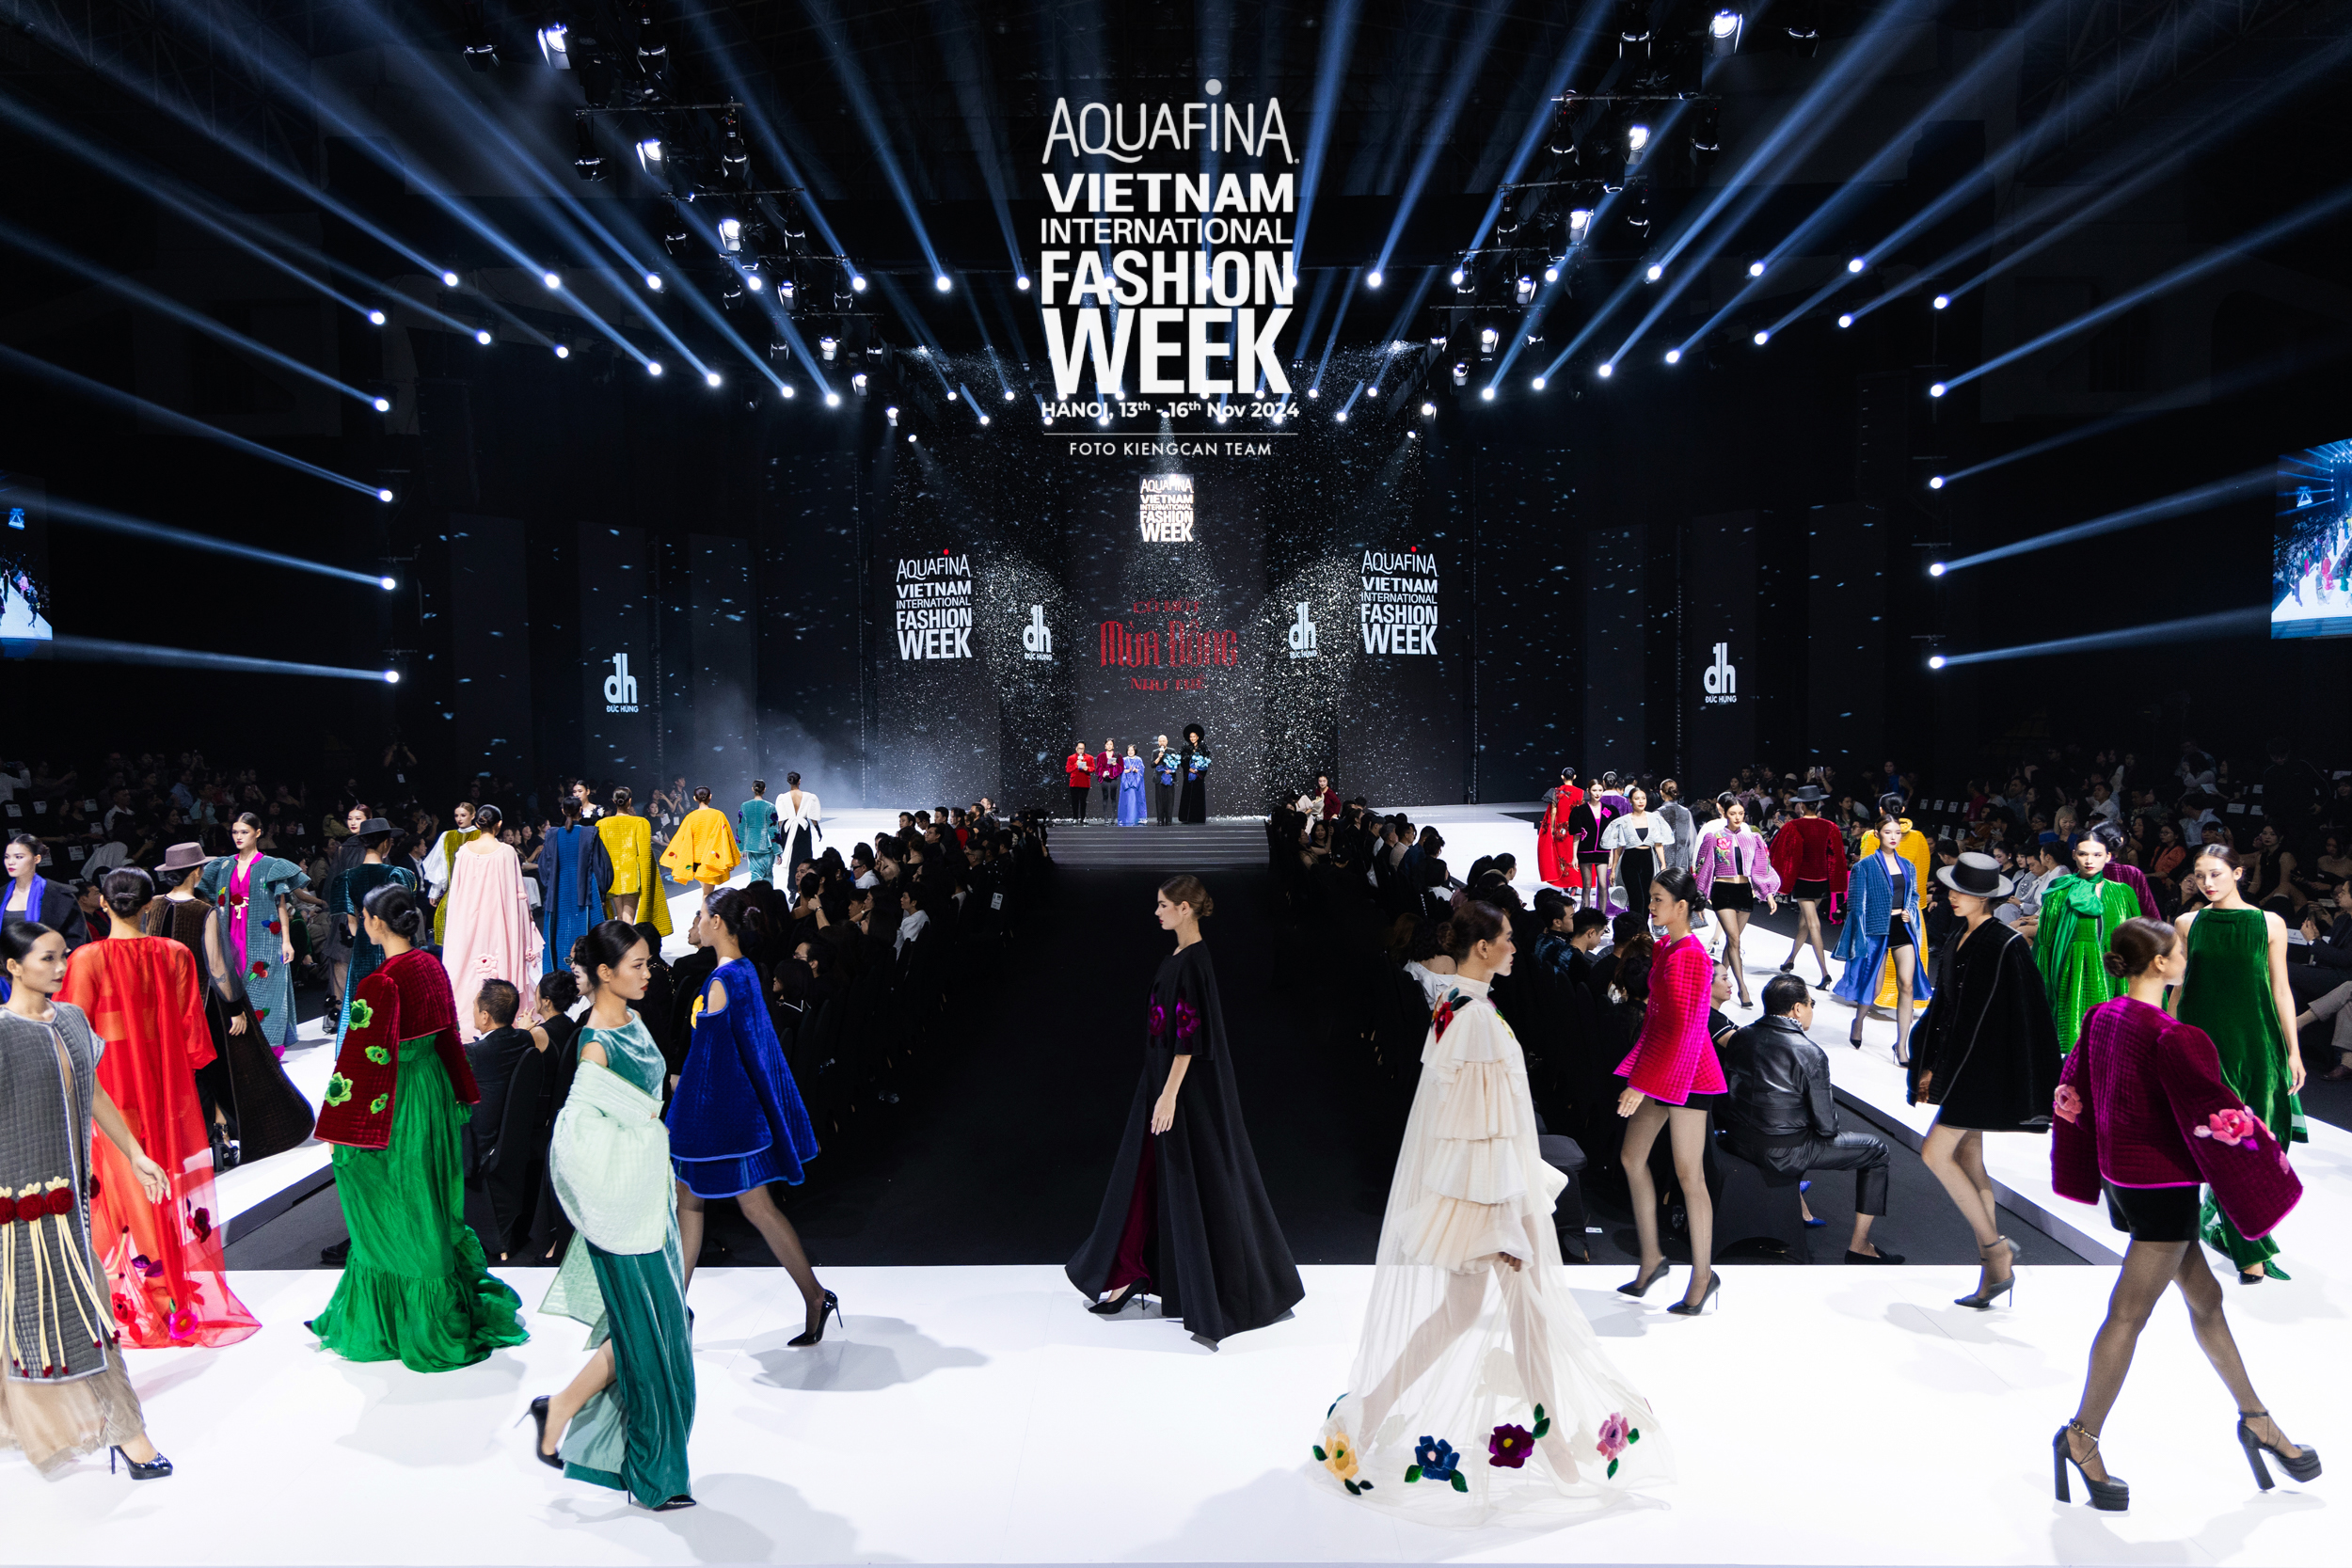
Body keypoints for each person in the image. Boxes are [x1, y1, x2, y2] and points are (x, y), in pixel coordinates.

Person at [1316, 893, 1667, 1516]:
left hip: (1485, 1188)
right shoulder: (1473, 1015)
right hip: (1493, 1194)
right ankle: (1553, 1448)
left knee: (1475, 1316)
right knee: (1530, 1319)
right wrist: (1506, 1218)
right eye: (1505, 937)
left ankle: (1371, 1414)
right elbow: (1481, 1124)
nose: (1513, 946)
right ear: (1482, 947)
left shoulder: (1455, 1003)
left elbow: (1467, 1117)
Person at [2049, 918, 2317, 1512]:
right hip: (2162, 1187)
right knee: (2127, 1315)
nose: (2186, 960)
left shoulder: (2102, 1017)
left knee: (2207, 1301)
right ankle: (2080, 1438)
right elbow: (2217, 1115)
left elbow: (2074, 1092)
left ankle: (2259, 1421)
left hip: (2123, 1178)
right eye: (2180, 953)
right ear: (2160, 965)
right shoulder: (2174, 1036)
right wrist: (2267, 1167)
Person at [1066, 875, 1301, 1345]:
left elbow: (1189, 1039)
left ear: (1186, 908)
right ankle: (1132, 1271)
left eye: (1163, 905)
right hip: (1159, 1083)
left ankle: (1228, 1290)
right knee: (1148, 1174)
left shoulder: (1194, 962)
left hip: (1182, 1091)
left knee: (1191, 1179)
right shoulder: (1179, 956)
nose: (1157, 912)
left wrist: (1170, 1094)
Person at [308, 883, 529, 1371]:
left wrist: (340, 1131)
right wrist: (462, 1093)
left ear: (376, 923)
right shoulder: (431, 966)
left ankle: (405, 1321)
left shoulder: (380, 982)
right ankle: (437, 1307)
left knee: (395, 1202)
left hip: (398, 1098)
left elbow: (362, 1061)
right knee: (430, 1201)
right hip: (434, 1093)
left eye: (363, 916)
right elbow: (450, 1033)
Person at [0, 921, 176, 1480]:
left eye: (63, 956)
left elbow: (95, 1092)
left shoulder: (73, 1019)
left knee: (87, 1310)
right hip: (17, 1206)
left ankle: (128, 1433)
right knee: (18, 1316)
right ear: (13, 967)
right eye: (47, 959)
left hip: (69, 1204)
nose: (60, 968)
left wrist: (136, 1154)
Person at [58, 867, 262, 1349]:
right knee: (164, 1180)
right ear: (149, 905)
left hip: (110, 1084)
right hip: (163, 1081)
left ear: (104, 904)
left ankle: (154, 1295)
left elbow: (75, 1035)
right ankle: (169, 1289)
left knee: (126, 1181)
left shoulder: (86, 959)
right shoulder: (173, 953)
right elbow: (192, 1032)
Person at [532, 921, 696, 1512]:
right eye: (638, 965)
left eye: (649, 963)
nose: (649, 973)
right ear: (605, 973)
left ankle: (560, 1408)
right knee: (649, 1343)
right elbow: (574, 1138)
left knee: (653, 1333)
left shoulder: (633, 1019)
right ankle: (654, 1478)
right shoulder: (596, 1044)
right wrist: (644, 1141)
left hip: (650, 1203)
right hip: (624, 1212)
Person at [668, 889, 833, 1340]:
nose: (697, 923)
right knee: (702, 1204)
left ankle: (815, 1296)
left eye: (701, 916)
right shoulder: (744, 972)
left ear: (718, 922)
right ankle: (675, 1311)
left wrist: (677, 1093)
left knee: (729, 1207)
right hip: (736, 1116)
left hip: (720, 1121)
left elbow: (712, 1062)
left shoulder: (721, 981)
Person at [1910, 852, 2060, 1308]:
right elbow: (1948, 1007)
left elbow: (2022, 1016)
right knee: (1970, 1161)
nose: (1952, 896)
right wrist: (1931, 1063)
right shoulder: (1962, 934)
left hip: (1981, 1070)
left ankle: (1996, 1251)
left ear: (1985, 897)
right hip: (1962, 1064)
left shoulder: (2004, 942)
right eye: (1953, 888)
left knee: (1935, 1153)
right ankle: (1992, 1273)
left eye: (1963, 891)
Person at [2172, 847, 2305, 1283]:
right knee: (2225, 1140)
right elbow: (2179, 988)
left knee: (2263, 1141)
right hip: (2202, 1045)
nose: (2207, 883)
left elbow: (2281, 989)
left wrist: (2293, 1050)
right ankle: (2251, 1251)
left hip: (2257, 1044)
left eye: (2216, 874)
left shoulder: (2269, 923)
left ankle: (2228, 1224)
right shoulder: (2188, 923)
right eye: (2200, 876)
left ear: (2238, 873)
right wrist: (2167, 1038)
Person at [142, 841, 314, 1167]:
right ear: (196, 872)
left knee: (184, 1074)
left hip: (163, 1007)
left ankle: (194, 1140)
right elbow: (218, 966)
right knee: (230, 1069)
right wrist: (236, 1008)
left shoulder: (154, 907)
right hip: (204, 1005)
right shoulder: (202, 911)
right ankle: (222, 1133)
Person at [1723, 975, 1899, 1263]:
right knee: (1877, 1150)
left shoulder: (1741, 1037)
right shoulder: (1810, 1053)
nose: (1811, 1010)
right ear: (1797, 1009)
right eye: (1811, 1003)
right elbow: (1827, 1127)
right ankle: (1861, 1246)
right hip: (1783, 1152)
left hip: (1736, 1140)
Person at [1613, 867, 1724, 1314]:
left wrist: (1641, 1083)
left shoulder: (1692, 956)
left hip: (1691, 1074)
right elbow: (1658, 1022)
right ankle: (1652, 1258)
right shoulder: (1666, 948)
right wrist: (1638, 1074)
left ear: (1682, 907)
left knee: (1689, 1176)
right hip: (1662, 1069)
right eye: (1651, 897)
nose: (1652, 905)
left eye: (1659, 899)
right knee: (1631, 1157)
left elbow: (1687, 1030)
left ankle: (1703, 1276)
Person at [194, 814, 309, 1056]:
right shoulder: (223, 866)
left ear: (258, 833)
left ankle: (269, 1046)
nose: (238, 837)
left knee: (266, 986)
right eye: (235, 832)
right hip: (230, 935)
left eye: (244, 832)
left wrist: (286, 941)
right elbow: (209, 899)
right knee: (233, 986)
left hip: (265, 937)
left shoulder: (271, 865)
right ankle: (241, 1046)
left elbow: (280, 905)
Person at [1831, 798, 1931, 1064]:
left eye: (1897, 832)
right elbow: (1855, 904)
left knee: (1906, 984)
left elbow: (1914, 894)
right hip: (1875, 929)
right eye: (1888, 832)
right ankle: (1858, 1021)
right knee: (1873, 985)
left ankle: (1901, 1046)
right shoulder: (1864, 866)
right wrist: (1859, 935)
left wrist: (1910, 909)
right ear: (1877, 834)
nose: (1894, 837)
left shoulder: (1907, 866)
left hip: (1902, 927)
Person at [440, 805, 543, 1044]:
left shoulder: (464, 852)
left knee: (467, 966)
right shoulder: (506, 852)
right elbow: (518, 894)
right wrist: (525, 924)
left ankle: (464, 1024)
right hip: (500, 921)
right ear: (499, 824)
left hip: (468, 922)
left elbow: (457, 893)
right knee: (500, 964)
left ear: (477, 823)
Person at [2032, 831, 2141, 1053]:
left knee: (2108, 1044)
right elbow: (2044, 946)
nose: (2089, 860)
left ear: (2108, 856)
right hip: (2070, 973)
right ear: (2074, 855)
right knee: (2070, 1039)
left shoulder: (2122, 893)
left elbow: (2135, 943)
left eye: (2097, 854)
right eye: (2083, 854)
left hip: (2112, 973)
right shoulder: (2059, 893)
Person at [328, 818, 418, 1051]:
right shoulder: (397, 874)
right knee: (397, 993)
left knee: (364, 997)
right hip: (394, 944)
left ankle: (362, 1049)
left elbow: (351, 921)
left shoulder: (347, 877)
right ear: (386, 844)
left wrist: (364, 939)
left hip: (363, 945)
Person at [1692, 797, 1780, 1009]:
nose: (1738, 817)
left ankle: (1715, 982)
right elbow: (1703, 867)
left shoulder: (1753, 838)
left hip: (1744, 891)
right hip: (1722, 890)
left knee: (1733, 942)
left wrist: (1768, 893)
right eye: (1733, 813)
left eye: (1741, 813)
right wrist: (1700, 898)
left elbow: (1761, 866)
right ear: (1725, 814)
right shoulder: (1714, 837)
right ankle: (1742, 988)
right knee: (1734, 939)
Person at [1769, 785, 1846, 986]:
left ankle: (1825, 973)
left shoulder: (1793, 826)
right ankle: (1790, 960)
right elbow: (1836, 856)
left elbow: (1781, 853)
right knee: (1804, 922)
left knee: (1812, 924)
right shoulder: (1830, 826)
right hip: (1821, 882)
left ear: (1801, 805)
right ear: (1817, 803)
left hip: (1803, 882)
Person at [539, 799, 612, 979]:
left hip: (559, 888)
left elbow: (544, 867)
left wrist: (550, 886)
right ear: (581, 810)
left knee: (560, 929)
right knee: (587, 929)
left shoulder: (552, 835)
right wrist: (602, 892)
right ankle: (592, 975)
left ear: (563, 811)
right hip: (586, 888)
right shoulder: (589, 833)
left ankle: (559, 973)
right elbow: (601, 866)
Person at [596, 787, 670, 937]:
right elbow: (645, 854)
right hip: (631, 875)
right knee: (628, 918)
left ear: (614, 801)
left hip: (612, 876)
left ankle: (619, 946)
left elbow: (601, 853)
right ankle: (626, 947)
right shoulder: (640, 823)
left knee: (619, 916)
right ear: (629, 801)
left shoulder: (601, 824)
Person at [2, 832, 89, 952]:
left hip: (50, 961)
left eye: (19, 857)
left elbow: (77, 941)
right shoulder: (2, 895)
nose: (10, 862)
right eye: (7, 857)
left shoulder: (59, 895)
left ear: (36, 859)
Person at [1598, 784, 1668, 926]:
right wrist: (1614, 870)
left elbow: (1658, 844)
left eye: (1643, 798)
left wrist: (1663, 864)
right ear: (1630, 800)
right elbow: (1619, 847)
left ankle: (1643, 928)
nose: (1641, 801)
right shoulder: (1623, 821)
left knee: (1647, 896)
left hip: (1648, 860)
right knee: (1635, 897)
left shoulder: (1654, 819)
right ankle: (1637, 928)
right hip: (1629, 860)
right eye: (1637, 798)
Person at [421, 800, 482, 944]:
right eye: (456, 815)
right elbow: (441, 865)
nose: (459, 819)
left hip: (476, 889)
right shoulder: (447, 836)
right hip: (453, 888)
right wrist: (435, 891)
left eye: (463, 815)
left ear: (473, 815)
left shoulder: (480, 835)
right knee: (443, 919)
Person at [660, 787, 741, 889]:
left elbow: (682, 838)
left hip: (696, 860)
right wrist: (730, 859)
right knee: (707, 893)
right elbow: (726, 838)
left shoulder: (690, 817)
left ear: (695, 798)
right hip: (712, 858)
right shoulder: (718, 815)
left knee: (707, 891)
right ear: (710, 797)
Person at [1535, 768, 1587, 893]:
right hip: (1576, 829)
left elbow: (1553, 811)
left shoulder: (1556, 792)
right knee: (1575, 854)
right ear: (1574, 777)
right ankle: (1575, 884)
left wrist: (1552, 827)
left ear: (1562, 777)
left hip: (1561, 830)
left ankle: (1566, 884)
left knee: (1563, 856)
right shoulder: (1581, 793)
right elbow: (1583, 812)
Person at [776, 772, 822, 879]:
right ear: (799, 781)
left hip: (788, 829)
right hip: (802, 829)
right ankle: (804, 881)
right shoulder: (809, 797)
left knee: (791, 857)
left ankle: (792, 884)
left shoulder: (783, 797)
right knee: (804, 856)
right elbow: (813, 817)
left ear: (789, 782)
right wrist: (818, 829)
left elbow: (780, 819)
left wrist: (777, 834)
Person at [737, 780, 779, 885]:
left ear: (752, 789)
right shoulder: (770, 807)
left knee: (755, 875)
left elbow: (741, 827)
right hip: (766, 845)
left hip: (751, 845)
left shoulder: (744, 806)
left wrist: (741, 848)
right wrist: (778, 851)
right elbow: (774, 829)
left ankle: (754, 895)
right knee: (767, 875)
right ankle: (768, 895)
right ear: (764, 789)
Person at [1177, 725, 1211, 824]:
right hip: (1188, 776)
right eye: (1191, 737)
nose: (1192, 738)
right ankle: (1186, 818)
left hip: (1198, 776)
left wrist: (1198, 770)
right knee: (1187, 796)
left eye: (1194, 736)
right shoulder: (1185, 748)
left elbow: (1207, 762)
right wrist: (1189, 769)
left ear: (1198, 737)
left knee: (1198, 797)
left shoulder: (1203, 749)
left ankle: (1198, 818)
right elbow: (1182, 761)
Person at [1150, 735, 1179, 826]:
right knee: (1159, 800)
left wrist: (1171, 770)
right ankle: (1160, 820)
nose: (1162, 742)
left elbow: (1177, 765)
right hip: (1159, 779)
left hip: (1170, 778)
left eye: (1163, 741)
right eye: (1160, 741)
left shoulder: (1172, 751)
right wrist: (1159, 757)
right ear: (1158, 742)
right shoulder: (1155, 752)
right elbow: (1152, 765)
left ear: (1167, 741)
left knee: (1169, 800)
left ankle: (1169, 820)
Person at [1117, 745, 1147, 826]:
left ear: (1135, 751)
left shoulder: (1139, 759)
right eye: (1129, 750)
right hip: (1126, 784)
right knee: (1126, 801)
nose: (1130, 752)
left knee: (1137, 801)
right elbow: (1120, 770)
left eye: (1132, 750)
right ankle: (1125, 819)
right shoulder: (1124, 760)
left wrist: (1136, 770)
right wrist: (1127, 770)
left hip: (1137, 784)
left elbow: (1142, 770)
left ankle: (1138, 819)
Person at [1065, 741, 1094, 823]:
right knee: (1075, 801)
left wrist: (1087, 768)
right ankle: (1075, 818)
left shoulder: (1089, 758)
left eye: (1082, 749)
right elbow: (1068, 769)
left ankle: (1083, 818)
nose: (1081, 750)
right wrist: (1076, 764)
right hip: (1074, 783)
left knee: (1083, 801)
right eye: (1079, 749)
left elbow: (1093, 768)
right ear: (1076, 748)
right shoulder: (1071, 758)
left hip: (1085, 783)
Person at [1097, 737, 1121, 819]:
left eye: (1111, 744)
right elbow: (1098, 768)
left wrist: (1116, 765)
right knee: (1105, 796)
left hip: (1114, 777)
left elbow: (1121, 768)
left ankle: (1113, 817)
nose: (1109, 746)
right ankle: (1105, 817)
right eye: (1107, 744)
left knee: (1113, 796)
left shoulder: (1118, 755)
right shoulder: (1100, 756)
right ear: (1105, 746)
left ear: (1113, 746)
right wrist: (1102, 773)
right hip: (1104, 778)